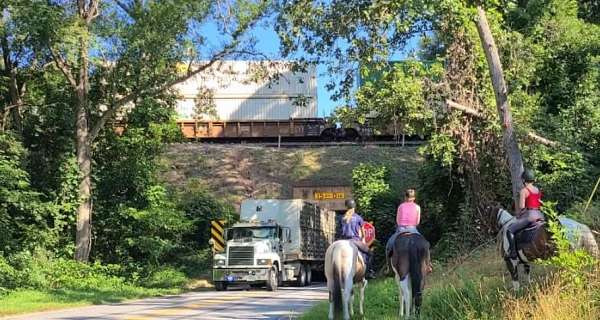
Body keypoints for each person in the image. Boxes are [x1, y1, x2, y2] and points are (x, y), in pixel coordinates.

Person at [506, 168, 545, 259]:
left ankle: (513, 253)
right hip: (540, 215)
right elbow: (540, 203)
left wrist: (519, 214)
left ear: (524, 180)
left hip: (530, 216)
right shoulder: (537, 190)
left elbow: (522, 206)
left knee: (509, 230)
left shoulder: (524, 191)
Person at [339, 199, 375, 279]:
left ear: (346, 207)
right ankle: (369, 272)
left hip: (343, 241)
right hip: (355, 241)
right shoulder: (358, 218)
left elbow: (340, 231)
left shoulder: (342, 218)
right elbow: (363, 234)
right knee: (370, 253)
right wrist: (362, 239)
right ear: (354, 207)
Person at [386, 188, 421, 257]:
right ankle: (428, 264)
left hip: (401, 229)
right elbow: (417, 222)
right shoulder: (417, 207)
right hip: (413, 229)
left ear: (405, 197)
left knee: (390, 244)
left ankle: (389, 262)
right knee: (424, 245)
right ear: (414, 198)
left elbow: (398, 221)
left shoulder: (401, 206)